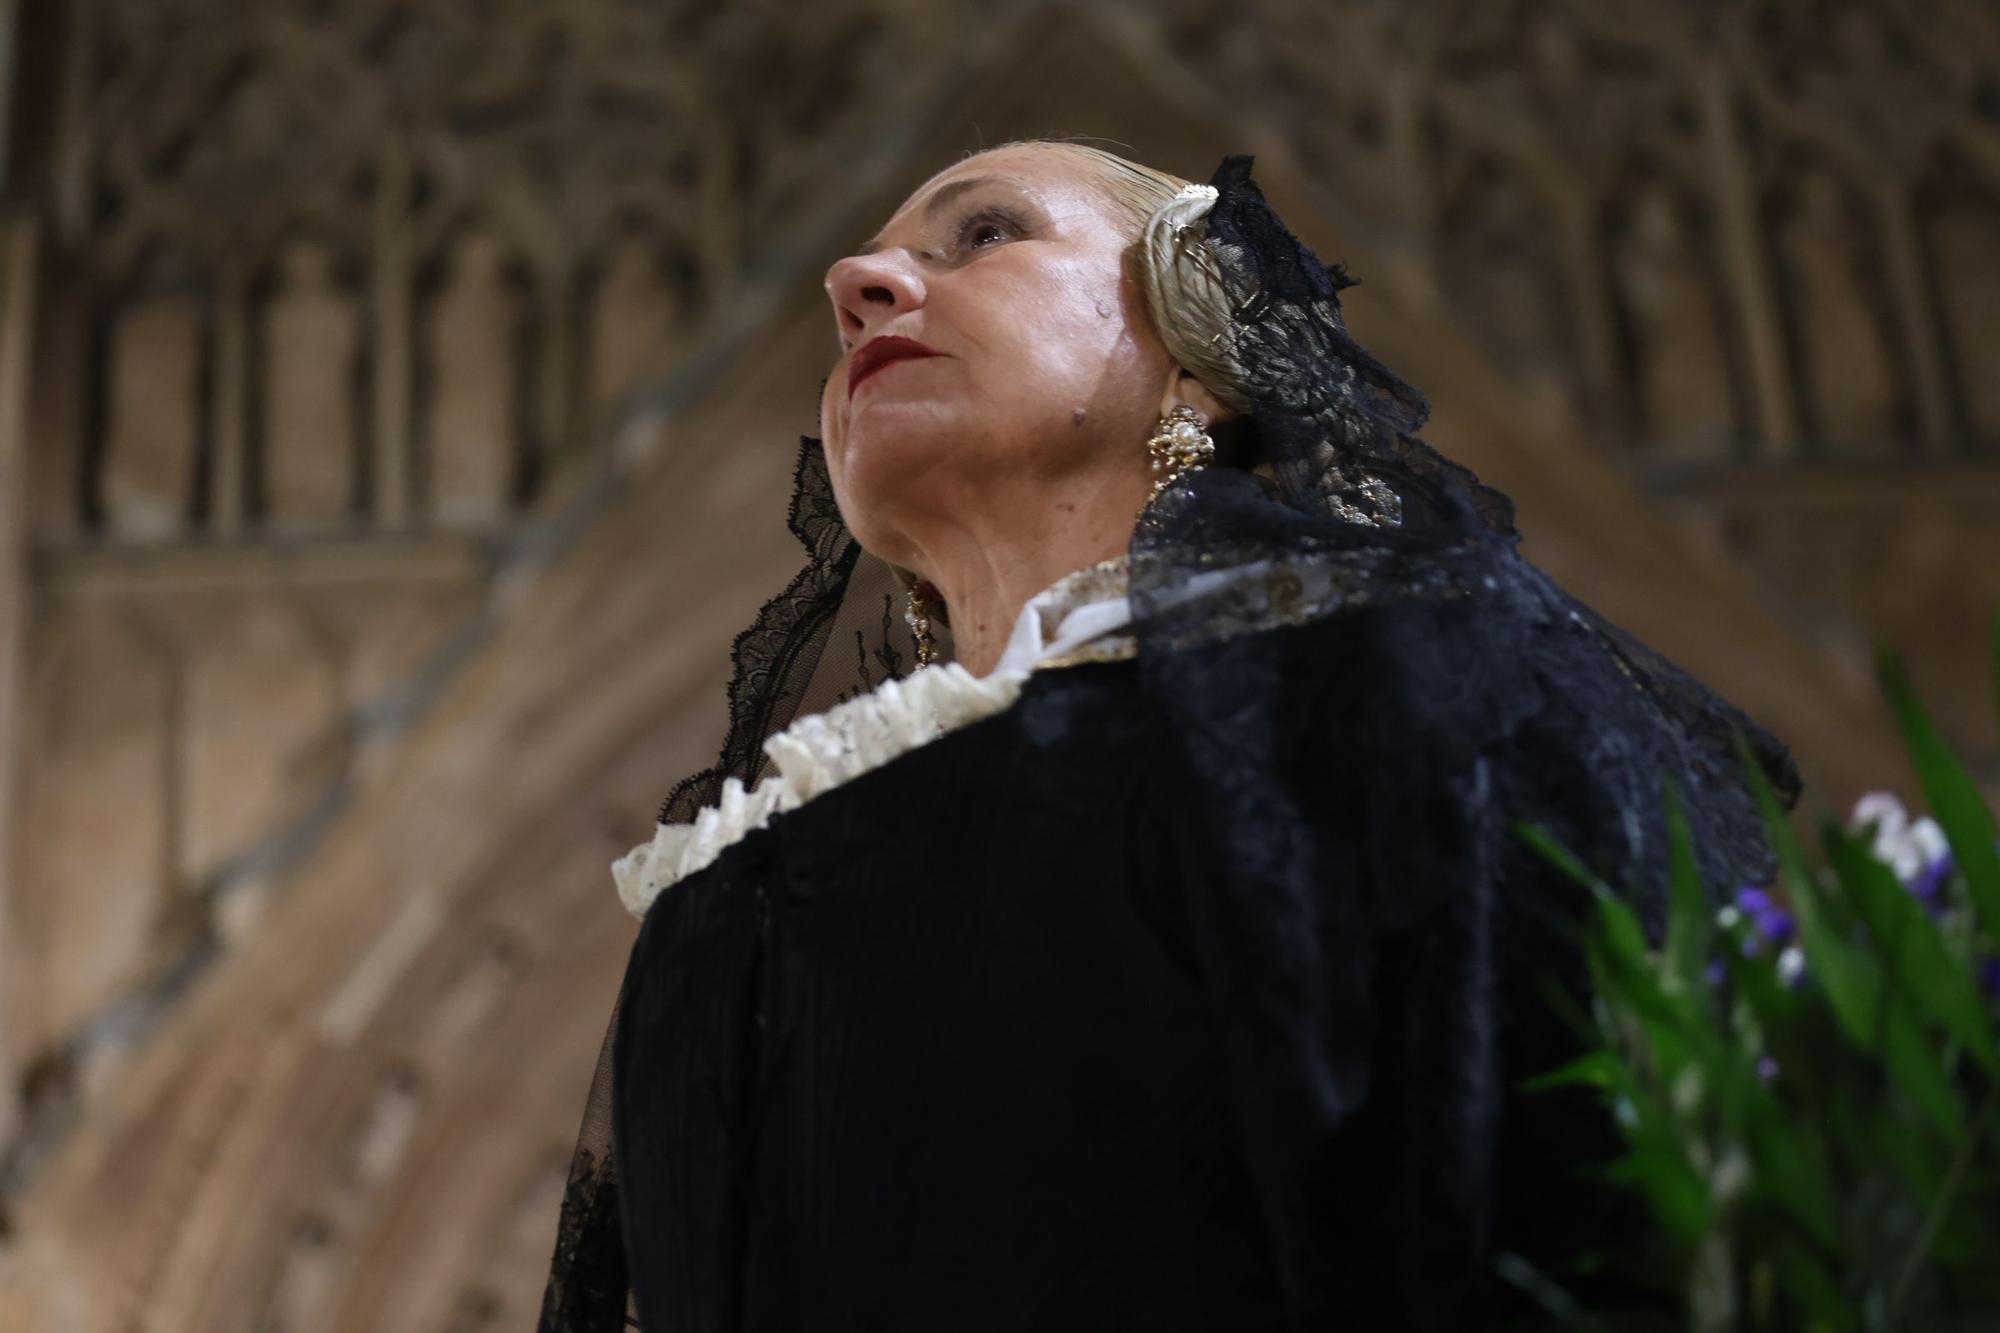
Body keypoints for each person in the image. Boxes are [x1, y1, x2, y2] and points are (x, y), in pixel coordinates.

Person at [535, 140, 1801, 1332]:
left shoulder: (1417, 682)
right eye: (854, 289)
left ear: (1197, 350)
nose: (857, 287)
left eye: (984, 233)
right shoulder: (727, 895)